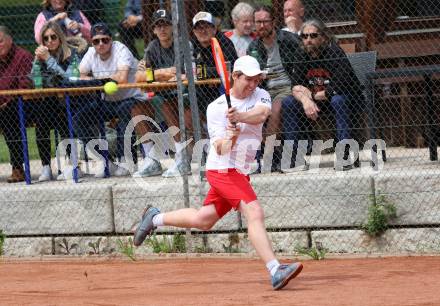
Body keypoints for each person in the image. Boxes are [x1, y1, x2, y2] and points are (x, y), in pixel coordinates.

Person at [133, 55, 303, 290]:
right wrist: (232, 136)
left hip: (240, 171)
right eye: (248, 79)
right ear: (235, 76)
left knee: (203, 220)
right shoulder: (216, 108)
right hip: (223, 169)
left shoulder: (260, 94)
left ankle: (154, 217)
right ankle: (275, 269)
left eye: (256, 79)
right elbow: (220, 148)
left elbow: (263, 114)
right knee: (254, 212)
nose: (253, 84)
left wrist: (240, 118)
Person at [282, 19, 363, 171]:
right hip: (318, 101)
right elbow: (296, 86)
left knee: (338, 100)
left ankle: (343, 157)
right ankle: (294, 159)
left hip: (346, 99)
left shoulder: (334, 52)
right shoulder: (301, 54)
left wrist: (310, 96)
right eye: (304, 37)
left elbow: (338, 87)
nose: (308, 40)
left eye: (313, 35)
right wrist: (306, 102)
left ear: (323, 37)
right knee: (288, 103)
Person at [77, 22, 148, 178]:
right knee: (78, 119)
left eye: (105, 40)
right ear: (92, 42)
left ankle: (127, 160)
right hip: (107, 101)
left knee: (125, 110)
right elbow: (81, 75)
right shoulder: (91, 53)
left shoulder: (121, 49)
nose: (101, 44)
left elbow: (122, 78)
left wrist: (95, 80)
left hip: (132, 97)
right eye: (96, 41)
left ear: (111, 40)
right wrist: (105, 80)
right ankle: (106, 160)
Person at [133, 9, 189, 178]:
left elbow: (183, 75)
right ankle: (152, 160)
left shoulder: (182, 44)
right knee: (137, 108)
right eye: (158, 26)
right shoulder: (152, 47)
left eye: (165, 24)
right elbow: (140, 77)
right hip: (161, 94)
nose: (162, 29)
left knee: (167, 105)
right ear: (154, 30)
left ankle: (182, 159)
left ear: (173, 27)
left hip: (183, 95)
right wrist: (164, 73)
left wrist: (156, 75)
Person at [32, 21, 88, 182]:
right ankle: (46, 167)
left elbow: (68, 78)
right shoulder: (41, 57)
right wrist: (37, 61)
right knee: (41, 123)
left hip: (71, 100)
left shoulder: (71, 54)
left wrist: (48, 59)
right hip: (49, 100)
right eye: (45, 38)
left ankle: (74, 165)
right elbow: (35, 81)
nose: (49, 41)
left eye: (53, 37)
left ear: (60, 37)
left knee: (63, 120)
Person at [247, 5, 300, 172]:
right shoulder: (253, 47)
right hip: (263, 90)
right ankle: (266, 156)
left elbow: (302, 64)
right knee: (250, 110)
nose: (261, 26)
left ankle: (269, 155)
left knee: (275, 109)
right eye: (258, 22)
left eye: (265, 21)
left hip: (287, 87)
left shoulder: (289, 40)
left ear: (274, 22)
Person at [0, 26, 33, 183]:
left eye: (0, 41)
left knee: (8, 115)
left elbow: (25, 87)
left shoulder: (23, 56)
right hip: (2, 106)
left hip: (22, 106)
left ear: (10, 40)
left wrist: (6, 101)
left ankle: (18, 168)